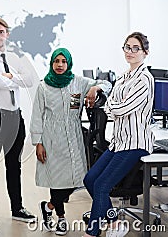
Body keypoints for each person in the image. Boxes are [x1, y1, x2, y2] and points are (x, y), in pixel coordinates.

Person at [29, 48, 112, 235]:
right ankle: (60, 217)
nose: (59, 65)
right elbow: (36, 116)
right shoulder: (43, 87)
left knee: (77, 180)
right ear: (52, 63)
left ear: (68, 63)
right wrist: (38, 143)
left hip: (74, 137)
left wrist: (94, 88)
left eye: (63, 61)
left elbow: (107, 83)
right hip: (52, 139)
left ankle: (48, 206)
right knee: (57, 181)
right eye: (56, 61)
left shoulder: (79, 83)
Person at [82, 32, 154, 237]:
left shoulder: (145, 79)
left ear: (145, 52)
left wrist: (114, 106)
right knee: (90, 180)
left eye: (135, 48)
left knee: (102, 186)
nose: (130, 52)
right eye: (127, 47)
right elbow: (109, 106)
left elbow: (120, 109)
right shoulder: (124, 77)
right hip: (119, 141)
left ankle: (92, 232)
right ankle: (113, 222)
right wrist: (115, 106)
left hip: (135, 142)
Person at [0, 17, 36, 233]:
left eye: (2, 32)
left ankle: (17, 208)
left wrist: (9, 75)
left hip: (14, 118)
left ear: (7, 34)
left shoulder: (14, 57)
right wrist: (13, 77)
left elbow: (30, 80)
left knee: (14, 166)